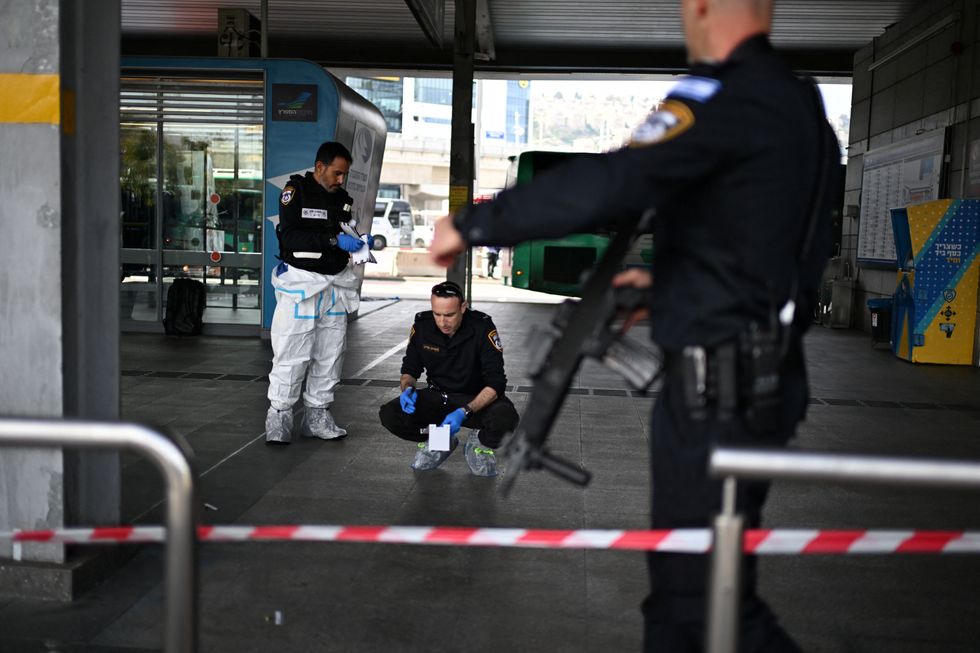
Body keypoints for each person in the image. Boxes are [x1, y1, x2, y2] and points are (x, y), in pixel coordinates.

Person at [429, 0, 839, 649]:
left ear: (702, 5)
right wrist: (671, 288)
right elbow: (781, 257)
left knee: (702, 605)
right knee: (692, 597)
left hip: (718, 393)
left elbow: (614, 179)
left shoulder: (722, 93)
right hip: (758, 378)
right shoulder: (804, 111)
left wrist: (475, 222)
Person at [266, 141, 372, 444]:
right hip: (301, 285)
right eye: (337, 173)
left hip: (335, 285)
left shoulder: (343, 200)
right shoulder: (295, 193)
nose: (340, 180)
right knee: (292, 351)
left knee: (330, 353)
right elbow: (291, 235)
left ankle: (317, 416)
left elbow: (344, 230)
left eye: (344, 175)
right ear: (320, 167)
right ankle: (280, 417)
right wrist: (333, 241)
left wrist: (359, 240)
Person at [378, 281, 520, 476]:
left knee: (506, 420)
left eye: (449, 315)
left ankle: (479, 443)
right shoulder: (422, 326)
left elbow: (496, 383)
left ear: (463, 307)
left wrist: (465, 411)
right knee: (390, 415)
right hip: (440, 397)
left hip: (476, 399)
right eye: (437, 314)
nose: (442, 322)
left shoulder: (482, 327)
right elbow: (410, 370)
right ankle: (440, 440)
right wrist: (407, 389)